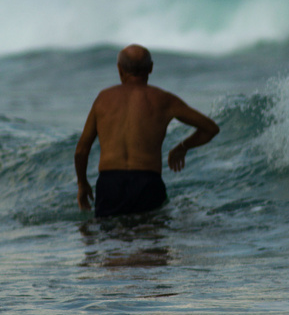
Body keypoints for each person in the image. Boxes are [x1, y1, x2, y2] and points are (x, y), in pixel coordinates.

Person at [75, 44, 219, 218]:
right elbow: (210, 128)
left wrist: (82, 184)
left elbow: (81, 150)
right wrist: (183, 147)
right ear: (150, 68)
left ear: (119, 70)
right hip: (147, 183)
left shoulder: (103, 99)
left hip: (110, 184)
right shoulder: (164, 100)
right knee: (151, 239)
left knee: (110, 240)